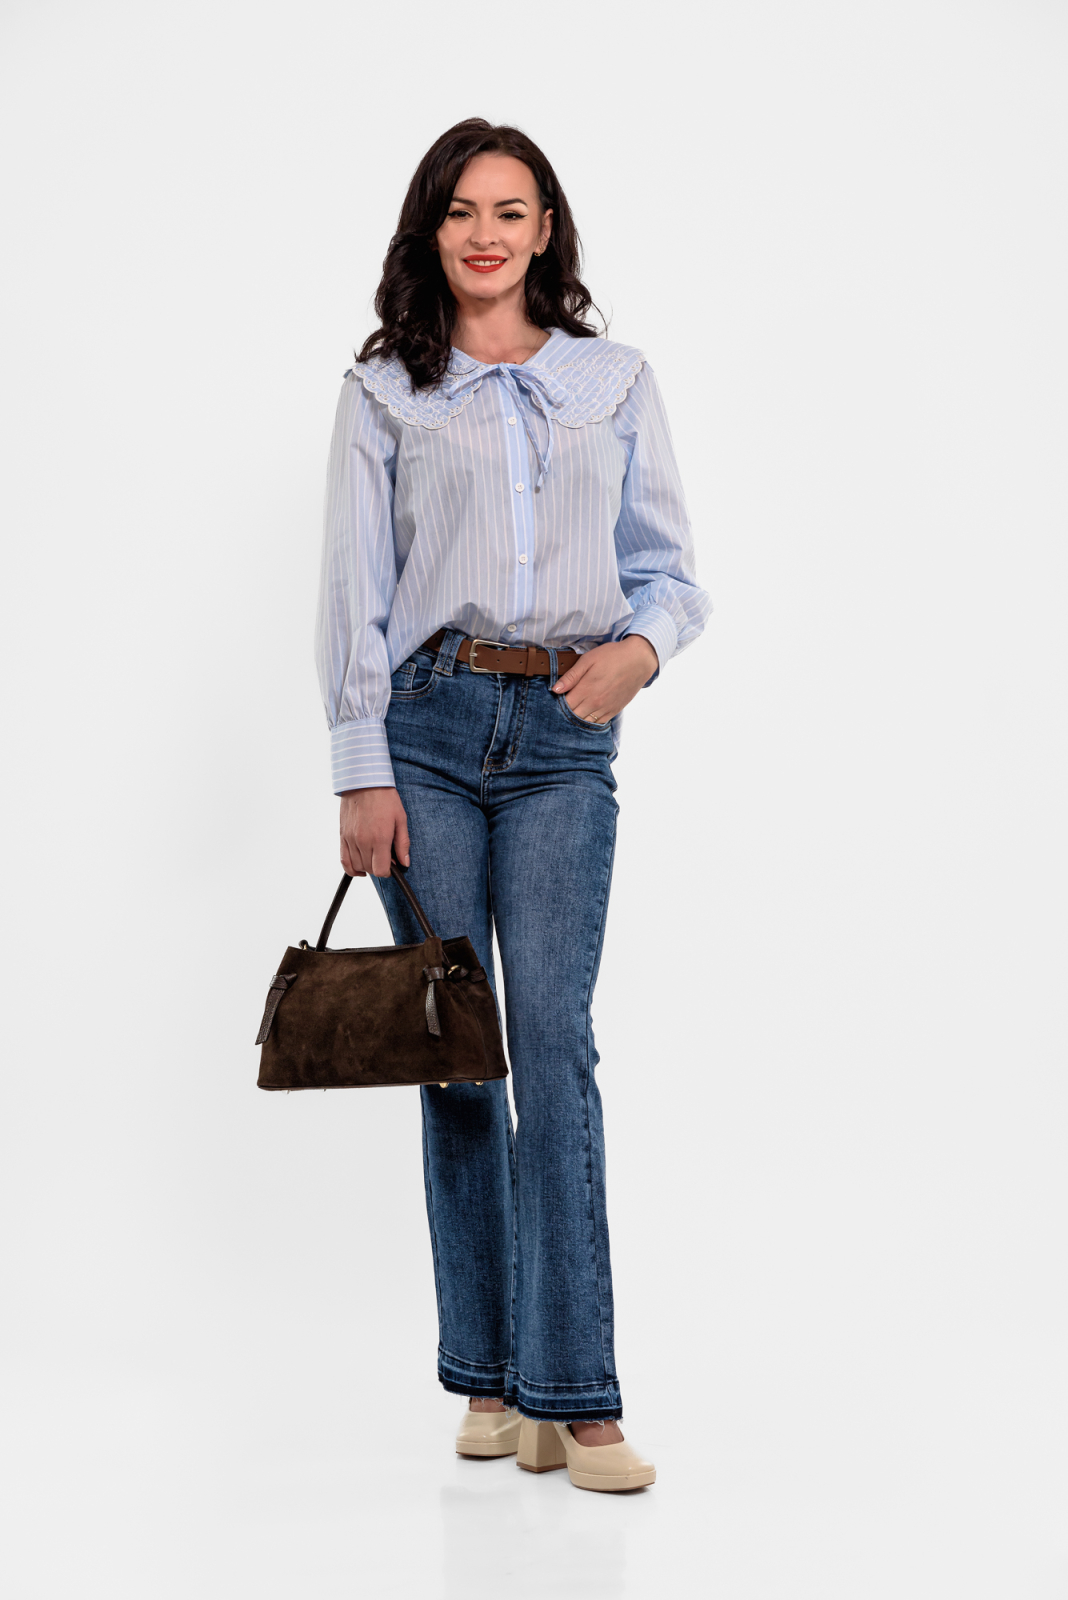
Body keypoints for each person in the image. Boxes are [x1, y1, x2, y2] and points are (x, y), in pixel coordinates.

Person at [316, 118, 710, 1492]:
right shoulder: (385, 390)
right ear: (430, 229)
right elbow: (353, 587)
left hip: (561, 736)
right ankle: (487, 1381)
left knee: (552, 1046)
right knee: (456, 1055)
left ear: (547, 231)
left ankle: (578, 1398)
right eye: (461, 211)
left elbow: (672, 571)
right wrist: (360, 766)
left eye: (511, 210)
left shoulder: (614, 381)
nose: (486, 234)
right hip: (423, 731)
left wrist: (636, 654)